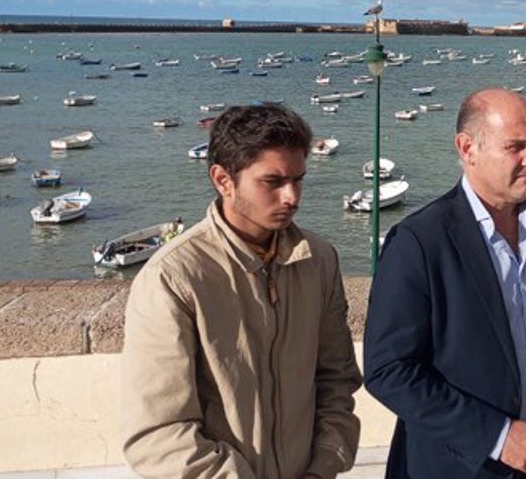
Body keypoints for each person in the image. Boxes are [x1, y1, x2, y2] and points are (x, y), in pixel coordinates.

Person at [364, 88, 526, 478]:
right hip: (457, 468)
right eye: (516, 147)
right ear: (467, 148)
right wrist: (497, 435)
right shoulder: (419, 242)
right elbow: (388, 370)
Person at [122, 103, 363, 479]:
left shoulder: (319, 260)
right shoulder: (173, 277)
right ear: (223, 179)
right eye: (273, 181)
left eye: (298, 179)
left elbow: (336, 381)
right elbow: (159, 433)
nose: (292, 197)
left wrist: (324, 465)